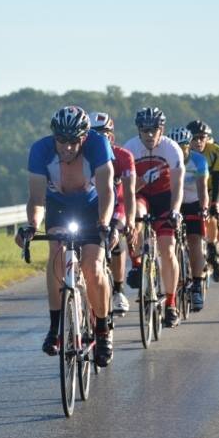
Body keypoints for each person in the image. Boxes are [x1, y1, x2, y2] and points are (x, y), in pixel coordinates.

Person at [15, 106, 116, 367]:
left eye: (74, 142)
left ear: (84, 137)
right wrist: (31, 225)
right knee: (57, 258)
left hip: (92, 207)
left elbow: (106, 191)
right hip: (58, 206)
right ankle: (55, 328)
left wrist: (104, 223)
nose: (67, 148)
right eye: (62, 141)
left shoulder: (99, 145)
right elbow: (37, 199)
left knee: (92, 267)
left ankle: (103, 331)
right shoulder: (40, 150)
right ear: (53, 137)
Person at [123, 107, 185, 327]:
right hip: (141, 196)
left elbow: (178, 188)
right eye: (144, 130)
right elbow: (127, 189)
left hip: (165, 198)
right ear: (139, 130)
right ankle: (137, 263)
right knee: (136, 217)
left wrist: (176, 209)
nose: (149, 135)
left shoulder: (171, 149)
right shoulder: (130, 148)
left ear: (162, 130)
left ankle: (171, 303)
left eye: (154, 130)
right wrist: (142, 181)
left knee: (167, 249)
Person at [89, 112, 136, 315]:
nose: (99, 138)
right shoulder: (81, 158)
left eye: (104, 134)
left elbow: (130, 192)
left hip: (117, 205)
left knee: (114, 237)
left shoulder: (124, 156)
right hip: (91, 206)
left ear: (112, 137)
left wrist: (131, 221)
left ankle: (118, 291)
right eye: (94, 134)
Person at [168, 126, 209, 311]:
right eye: (176, 146)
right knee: (168, 244)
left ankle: (197, 285)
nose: (180, 150)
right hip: (172, 204)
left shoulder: (198, 160)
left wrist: (204, 208)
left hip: (193, 203)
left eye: (184, 146)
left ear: (189, 147)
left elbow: (203, 188)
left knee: (194, 241)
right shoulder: (167, 160)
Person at [187, 119, 219, 283]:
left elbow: (218, 180)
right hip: (190, 190)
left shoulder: (216, 151)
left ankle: (216, 254)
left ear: (208, 138)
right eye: (194, 138)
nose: (198, 142)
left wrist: (215, 204)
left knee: (216, 220)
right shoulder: (183, 151)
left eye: (202, 138)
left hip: (212, 189)